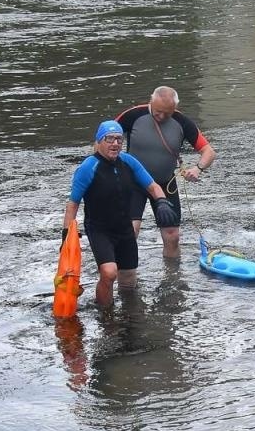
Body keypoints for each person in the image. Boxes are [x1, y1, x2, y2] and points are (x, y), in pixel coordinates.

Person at [64, 121, 176, 306]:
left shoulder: (129, 161)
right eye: (109, 139)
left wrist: (162, 202)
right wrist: (66, 237)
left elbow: (153, 186)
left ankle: (129, 314)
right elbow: (73, 204)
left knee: (129, 279)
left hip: (125, 229)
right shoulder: (88, 167)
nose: (115, 143)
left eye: (118, 139)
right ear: (99, 141)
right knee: (109, 273)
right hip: (99, 229)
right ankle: (105, 314)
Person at [118, 86, 216, 258]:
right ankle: (126, 275)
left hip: (165, 184)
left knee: (172, 235)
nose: (162, 117)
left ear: (175, 108)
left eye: (167, 113)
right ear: (151, 101)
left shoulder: (182, 122)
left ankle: (172, 277)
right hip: (133, 183)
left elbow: (208, 151)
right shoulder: (133, 115)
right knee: (130, 232)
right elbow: (103, 140)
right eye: (158, 112)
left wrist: (198, 168)